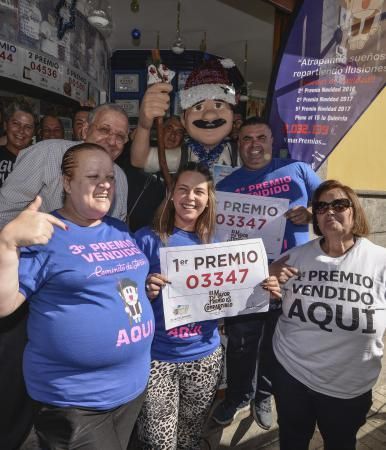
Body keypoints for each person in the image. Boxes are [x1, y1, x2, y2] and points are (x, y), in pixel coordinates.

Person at [0, 143, 155, 449]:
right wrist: (8, 243)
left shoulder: (119, 228)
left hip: (131, 390)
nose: (105, 185)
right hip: (75, 400)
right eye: (93, 176)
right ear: (67, 183)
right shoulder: (44, 233)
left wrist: (144, 286)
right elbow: (5, 304)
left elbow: (120, 280)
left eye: (110, 176)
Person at [134, 162, 280, 449]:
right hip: (156, 358)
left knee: (189, 437)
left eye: (198, 192)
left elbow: (237, 293)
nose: (190, 197)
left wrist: (265, 290)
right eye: (183, 190)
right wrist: (145, 291)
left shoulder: (220, 243)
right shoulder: (146, 239)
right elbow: (124, 301)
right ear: (172, 195)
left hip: (204, 356)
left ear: (208, 199)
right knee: (158, 443)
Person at [212, 117, 321, 429]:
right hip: (246, 279)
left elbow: (337, 203)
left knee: (278, 342)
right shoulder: (224, 187)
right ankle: (237, 396)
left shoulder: (299, 170)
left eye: (261, 137)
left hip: (291, 276)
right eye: (247, 138)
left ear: (273, 142)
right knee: (241, 342)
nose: (254, 144)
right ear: (238, 144)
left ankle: (264, 394)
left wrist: (312, 213)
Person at [271, 179, 386, 450]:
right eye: (321, 207)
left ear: (354, 211)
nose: (329, 211)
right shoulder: (293, 257)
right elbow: (260, 293)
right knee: (292, 442)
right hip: (292, 376)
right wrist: (269, 283)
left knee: (341, 444)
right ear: (315, 217)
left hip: (348, 387)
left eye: (339, 204)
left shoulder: (380, 261)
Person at [0, 103, 128, 229]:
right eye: (104, 130)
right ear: (85, 131)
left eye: (120, 136)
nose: (112, 141)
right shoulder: (46, 153)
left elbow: (116, 229)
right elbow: (4, 211)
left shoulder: (120, 178)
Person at [131, 58, 239, 174]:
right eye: (198, 108)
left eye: (218, 105)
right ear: (184, 120)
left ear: (233, 115)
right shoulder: (184, 155)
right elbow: (140, 160)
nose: (209, 115)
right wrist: (143, 126)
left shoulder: (241, 154)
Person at [0, 100, 36, 188]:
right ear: (5, 126)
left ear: (33, 133)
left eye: (28, 127)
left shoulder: (37, 159)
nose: (21, 130)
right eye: (16, 123)